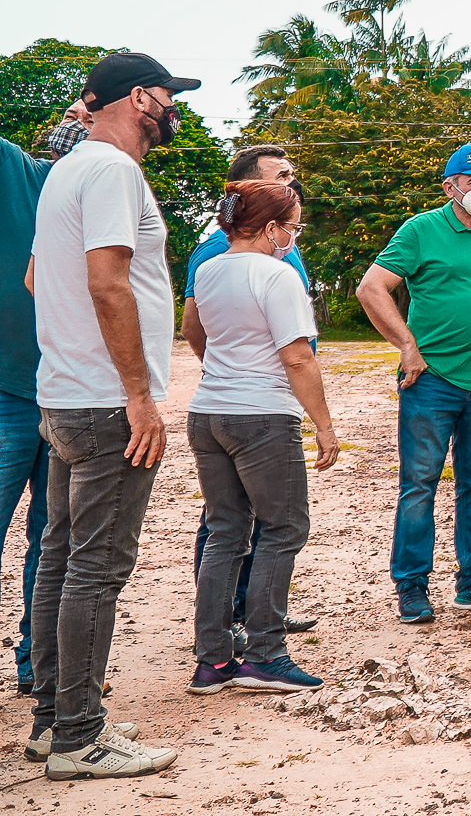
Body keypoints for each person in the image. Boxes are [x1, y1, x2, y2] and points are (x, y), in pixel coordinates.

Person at [25, 51, 190, 779]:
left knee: (62, 557)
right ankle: (80, 736)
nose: (172, 106)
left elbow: (37, 276)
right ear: (137, 97)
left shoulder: (68, 170)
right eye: (166, 93)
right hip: (105, 401)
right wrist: (137, 391)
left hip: (63, 391)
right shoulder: (115, 170)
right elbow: (108, 281)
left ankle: (52, 721)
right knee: (97, 565)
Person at [357, 142, 471, 624]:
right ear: (451, 186)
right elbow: (371, 288)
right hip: (431, 381)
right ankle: (412, 587)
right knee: (419, 486)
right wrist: (406, 345)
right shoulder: (422, 230)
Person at [186, 180, 338, 695]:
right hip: (262, 415)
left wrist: (223, 370)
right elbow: (297, 355)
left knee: (226, 531)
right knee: (284, 528)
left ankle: (213, 660)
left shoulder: (207, 270)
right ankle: (267, 653)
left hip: (208, 412)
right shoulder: (276, 274)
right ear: (271, 227)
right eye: (292, 226)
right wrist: (324, 423)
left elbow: (193, 330)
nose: (294, 235)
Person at [0, 136, 51, 697]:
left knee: (54, 542)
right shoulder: (13, 171)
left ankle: (40, 664)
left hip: (70, 393)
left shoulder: (97, 184)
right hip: (7, 389)